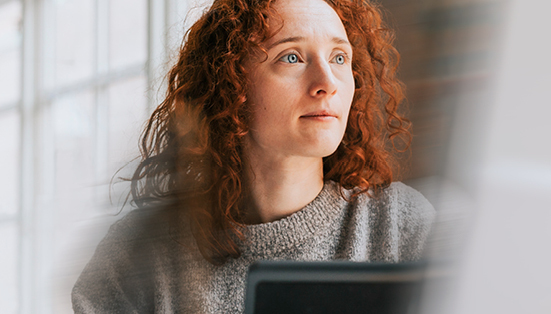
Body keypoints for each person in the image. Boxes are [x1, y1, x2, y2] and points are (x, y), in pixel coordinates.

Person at [72, 0, 435, 312]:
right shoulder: (135, 256)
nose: (328, 82)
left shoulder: (402, 225)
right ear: (230, 84)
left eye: (339, 57)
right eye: (292, 57)